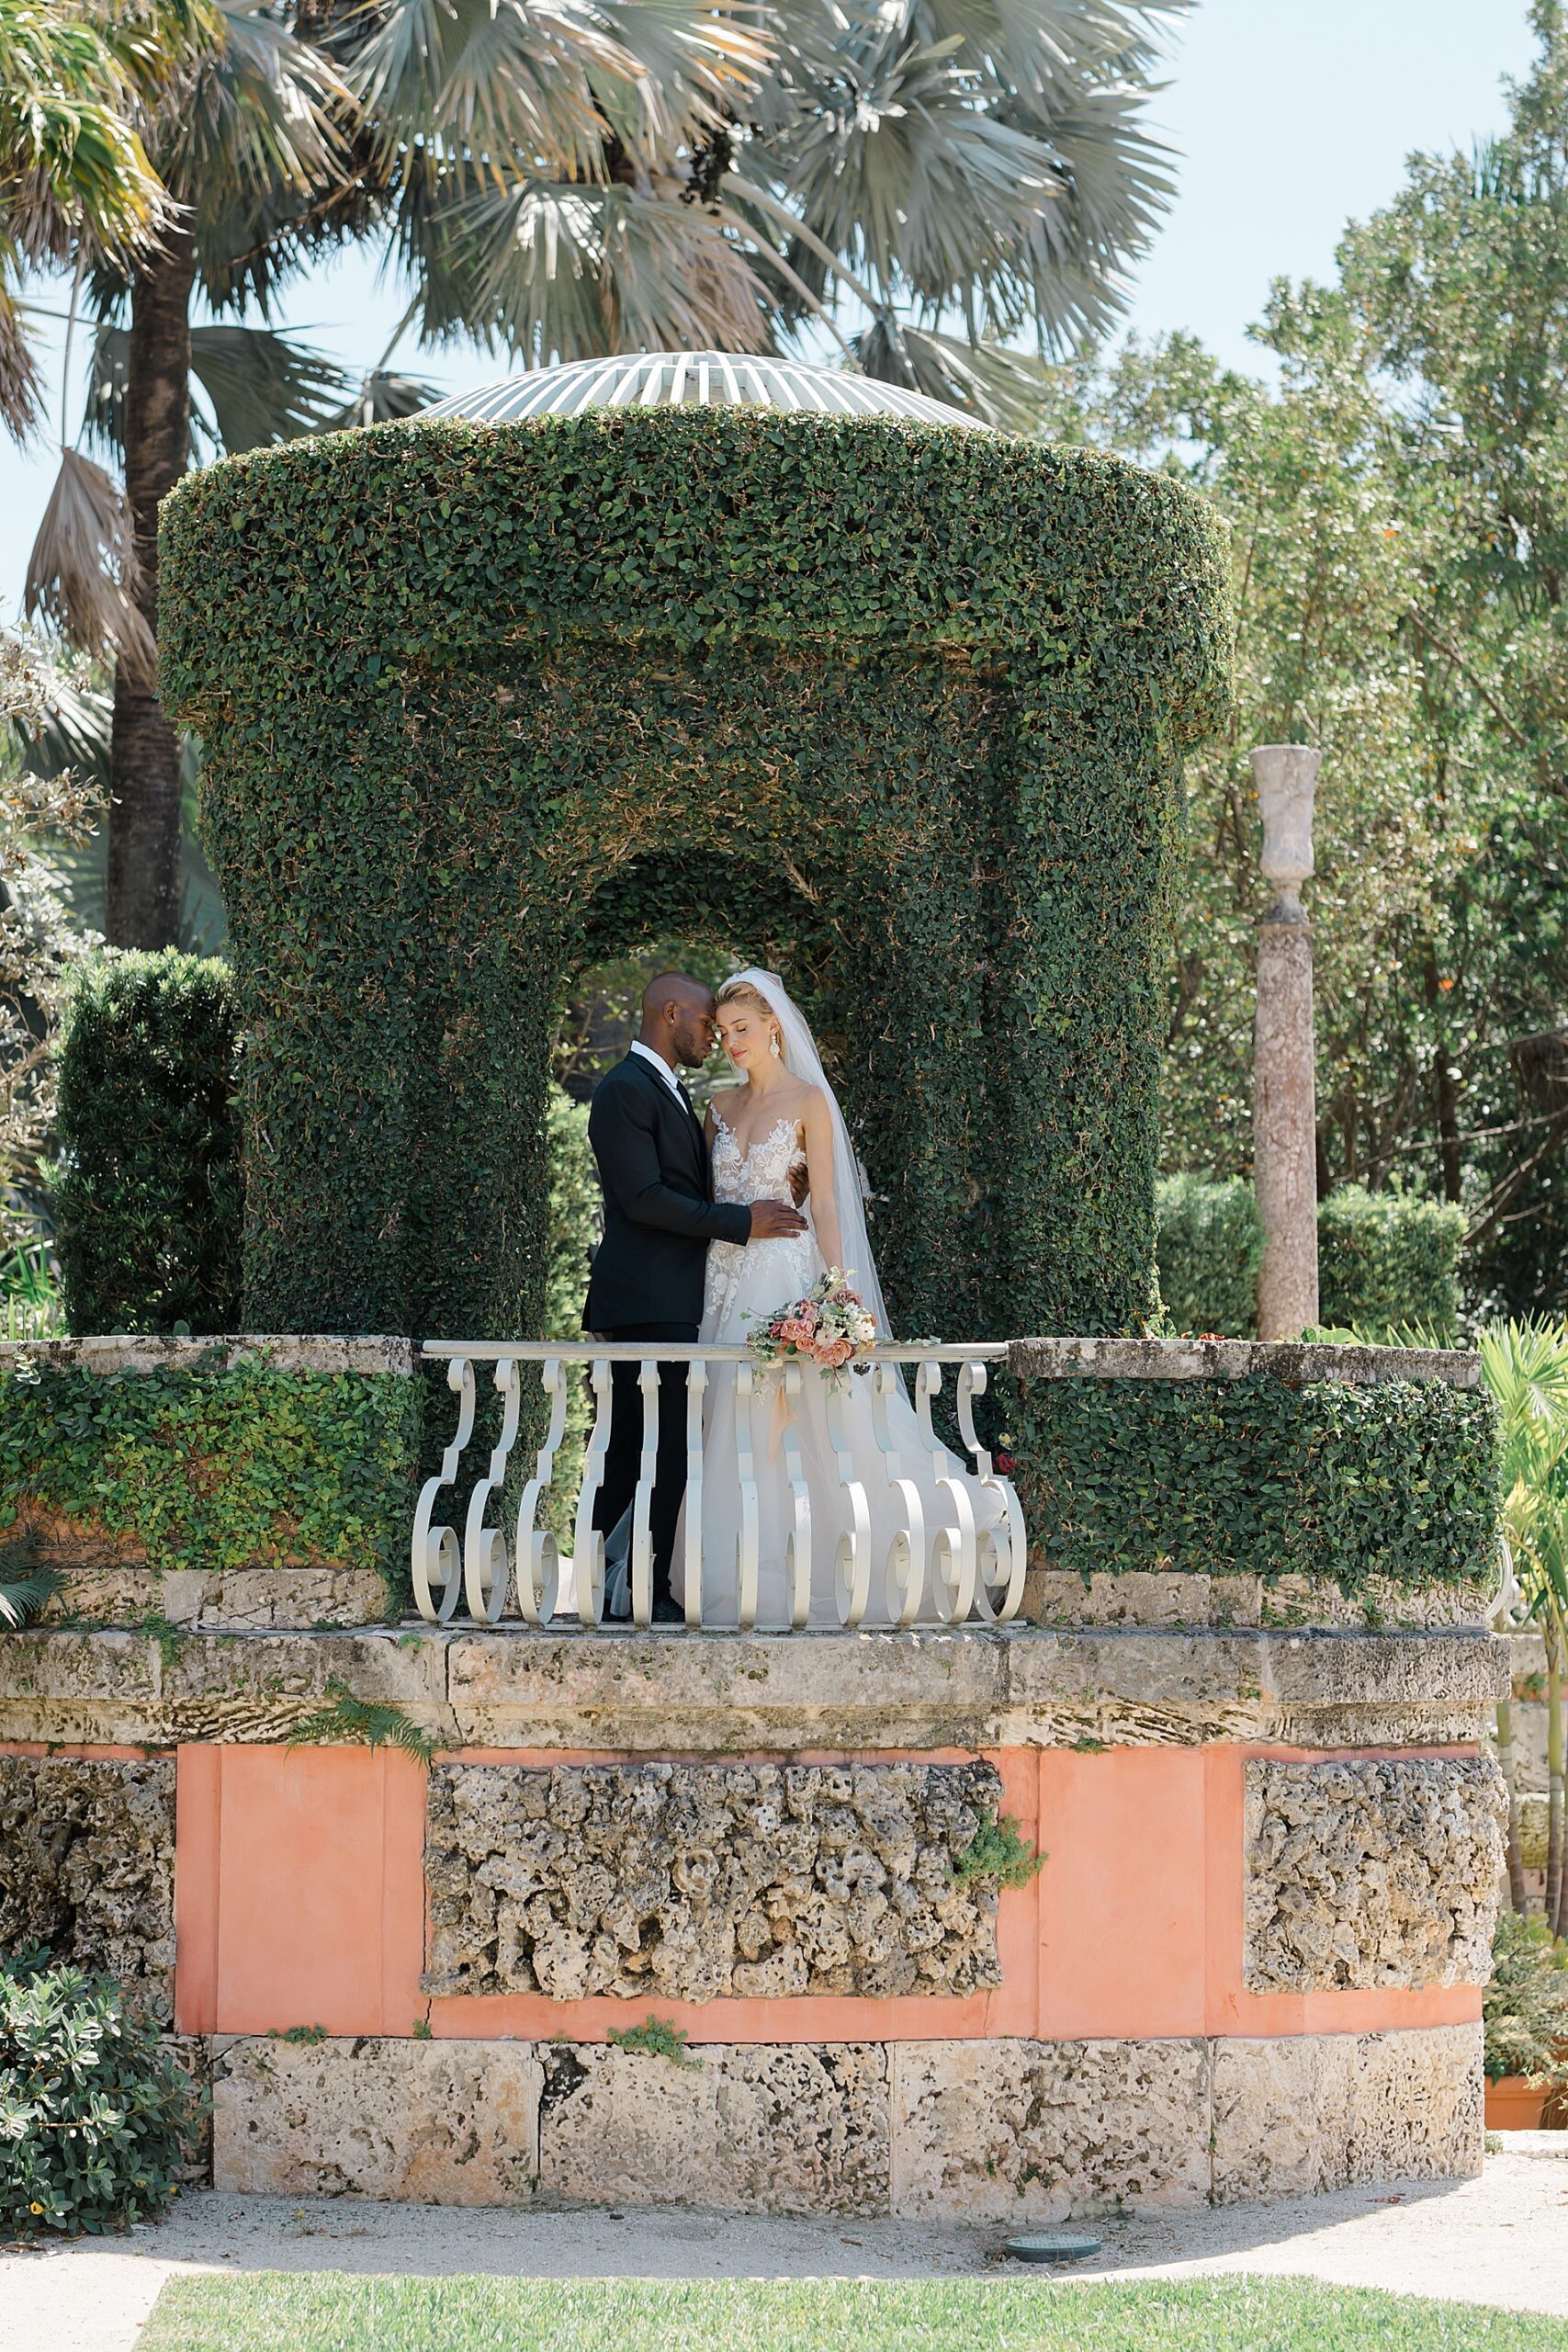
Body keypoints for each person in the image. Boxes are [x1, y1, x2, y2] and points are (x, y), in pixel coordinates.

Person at [675, 967, 1004, 1628]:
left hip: (784, 1279)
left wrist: (839, 1292)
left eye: (744, 1029)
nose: (733, 1042)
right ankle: (738, 1578)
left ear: (773, 1026)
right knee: (727, 1426)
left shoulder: (807, 1102)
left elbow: (824, 1200)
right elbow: (706, 1202)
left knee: (805, 1426)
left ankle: (834, 1569)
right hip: (722, 1284)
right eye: (724, 1032)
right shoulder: (716, 1107)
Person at [583, 972, 807, 1621]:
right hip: (642, 1300)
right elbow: (643, 1199)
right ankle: (613, 1590)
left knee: (669, 1448)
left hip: (679, 1299)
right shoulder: (624, 1089)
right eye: (708, 1024)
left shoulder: (671, 1090)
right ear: (671, 1013)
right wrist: (743, 1223)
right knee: (631, 1445)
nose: (713, 1036)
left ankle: (650, 1587)